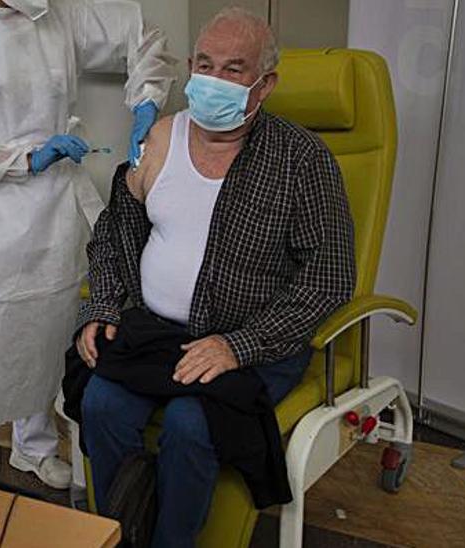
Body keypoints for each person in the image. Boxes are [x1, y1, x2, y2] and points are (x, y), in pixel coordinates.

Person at [76, 8, 355, 546]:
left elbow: (330, 275)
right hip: (158, 332)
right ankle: (121, 533)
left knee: (190, 425)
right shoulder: (158, 139)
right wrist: (103, 306)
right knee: (100, 404)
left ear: (264, 84)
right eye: (204, 65)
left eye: (233, 69)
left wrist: (238, 344)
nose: (213, 80)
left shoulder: (302, 161)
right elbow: (114, 232)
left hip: (253, 345)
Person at [0, 0, 177, 488]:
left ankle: (33, 447)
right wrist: (24, 157)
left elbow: (141, 33)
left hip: (55, 208)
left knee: (46, 333)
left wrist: (146, 98)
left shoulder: (58, 14)